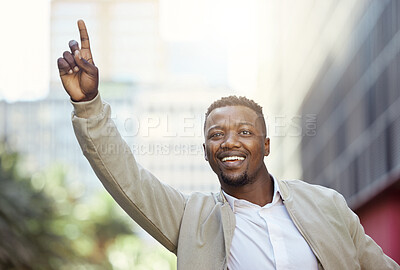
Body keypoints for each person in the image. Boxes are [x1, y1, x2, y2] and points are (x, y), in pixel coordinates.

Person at [57, 20, 399, 270]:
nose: (229, 141)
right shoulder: (191, 218)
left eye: (244, 132)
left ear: (266, 145)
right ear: (205, 152)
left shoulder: (327, 205)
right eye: (216, 134)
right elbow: (126, 178)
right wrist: (89, 104)